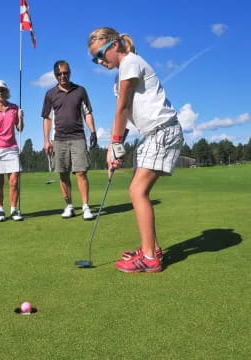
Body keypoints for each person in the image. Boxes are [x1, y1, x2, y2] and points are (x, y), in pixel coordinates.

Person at [87, 27, 184, 273]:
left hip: (163, 131)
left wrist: (114, 143)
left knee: (137, 190)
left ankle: (151, 258)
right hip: (152, 134)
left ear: (114, 45)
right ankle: (151, 247)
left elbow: (121, 108)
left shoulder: (130, 62)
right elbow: (128, 117)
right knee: (137, 189)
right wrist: (116, 148)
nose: (98, 61)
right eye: (94, 59)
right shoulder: (119, 76)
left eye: (100, 54)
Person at [42, 60, 97, 221]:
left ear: (70, 72)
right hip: (58, 139)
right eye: (59, 74)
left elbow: (87, 113)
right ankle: (69, 206)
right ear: (55, 75)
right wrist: (46, 140)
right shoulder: (50, 94)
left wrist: (93, 131)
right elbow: (47, 118)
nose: (63, 76)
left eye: (65, 73)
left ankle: (86, 206)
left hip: (78, 137)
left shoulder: (80, 91)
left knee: (81, 172)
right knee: (63, 174)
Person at [0, 80, 24, 222]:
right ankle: (0, 210)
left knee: (13, 181)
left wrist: (21, 118)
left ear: (7, 92)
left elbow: (19, 128)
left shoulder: (14, 108)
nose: (0, 93)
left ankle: (14, 210)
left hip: (12, 148)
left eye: (2, 90)